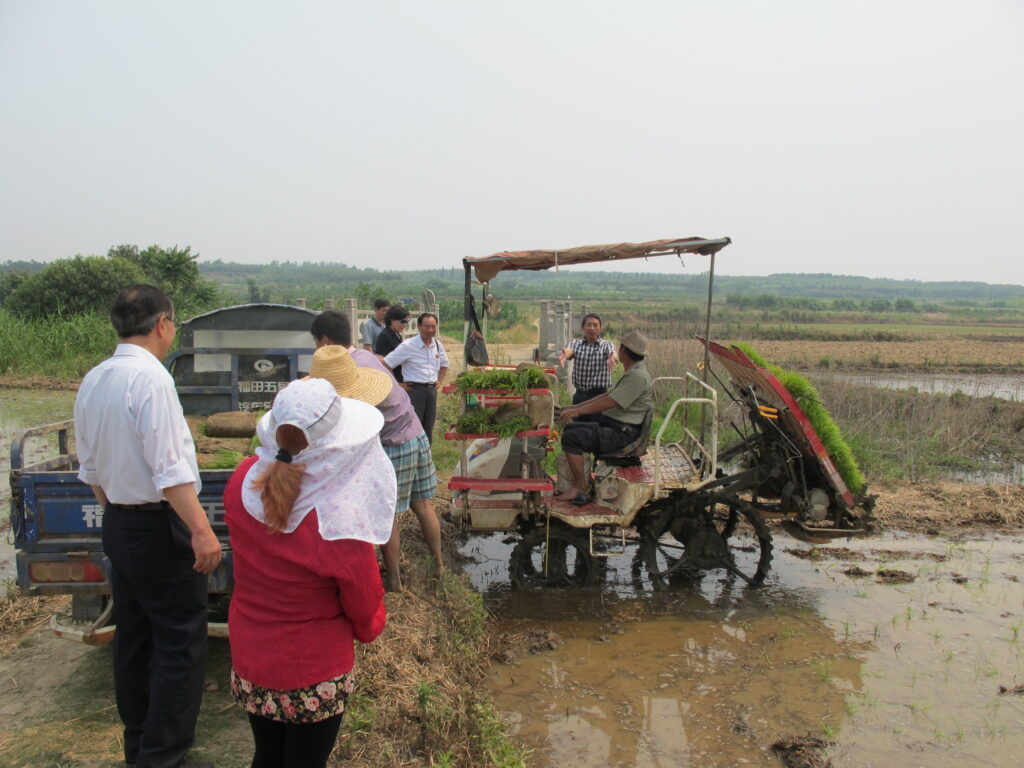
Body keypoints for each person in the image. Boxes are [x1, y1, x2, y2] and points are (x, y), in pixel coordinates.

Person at [74, 284, 221, 768]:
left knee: (133, 641)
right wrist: (200, 530)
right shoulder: (152, 380)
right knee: (180, 646)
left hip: (119, 523)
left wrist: (120, 511)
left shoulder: (95, 379)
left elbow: (92, 471)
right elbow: (172, 470)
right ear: (162, 324)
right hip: (161, 527)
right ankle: (163, 757)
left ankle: (139, 746)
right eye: (173, 323)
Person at [224, 378, 396, 768]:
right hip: (313, 670)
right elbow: (364, 603)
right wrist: (371, 627)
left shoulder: (241, 483)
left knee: (267, 754)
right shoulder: (337, 519)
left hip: (253, 656)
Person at [310, 311, 444, 592]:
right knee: (424, 505)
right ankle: (439, 567)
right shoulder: (365, 356)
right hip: (415, 431)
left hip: (395, 441)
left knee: (386, 513)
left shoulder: (347, 372)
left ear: (324, 342)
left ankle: (394, 582)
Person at [557, 330, 654, 506]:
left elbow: (610, 401)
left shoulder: (637, 376)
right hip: (619, 427)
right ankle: (583, 479)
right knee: (571, 428)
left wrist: (578, 411)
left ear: (624, 351)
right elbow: (608, 396)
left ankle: (580, 486)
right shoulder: (634, 372)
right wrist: (576, 408)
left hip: (623, 433)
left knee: (571, 438)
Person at [382, 312, 448, 443]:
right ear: (419, 326)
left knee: (428, 426)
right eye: (427, 326)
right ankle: (414, 455)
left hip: (431, 391)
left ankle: (427, 456)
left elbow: (444, 365)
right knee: (413, 427)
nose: (430, 330)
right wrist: (397, 384)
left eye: (433, 327)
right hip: (414, 391)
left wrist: (439, 381)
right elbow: (386, 363)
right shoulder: (408, 346)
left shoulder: (437, 345)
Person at [558, 313, 618, 409]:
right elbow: (570, 351)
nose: (592, 328)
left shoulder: (607, 344)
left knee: (597, 424)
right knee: (578, 424)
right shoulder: (576, 343)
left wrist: (612, 357)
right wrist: (565, 354)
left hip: (599, 397)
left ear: (600, 328)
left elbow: (612, 353)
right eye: (588, 325)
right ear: (583, 327)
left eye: (595, 325)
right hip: (580, 396)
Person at [373, 304, 410, 383]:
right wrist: (397, 385)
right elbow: (382, 363)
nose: (404, 325)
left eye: (406, 322)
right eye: (402, 322)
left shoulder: (397, 335)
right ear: (392, 320)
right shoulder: (385, 336)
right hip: (392, 381)